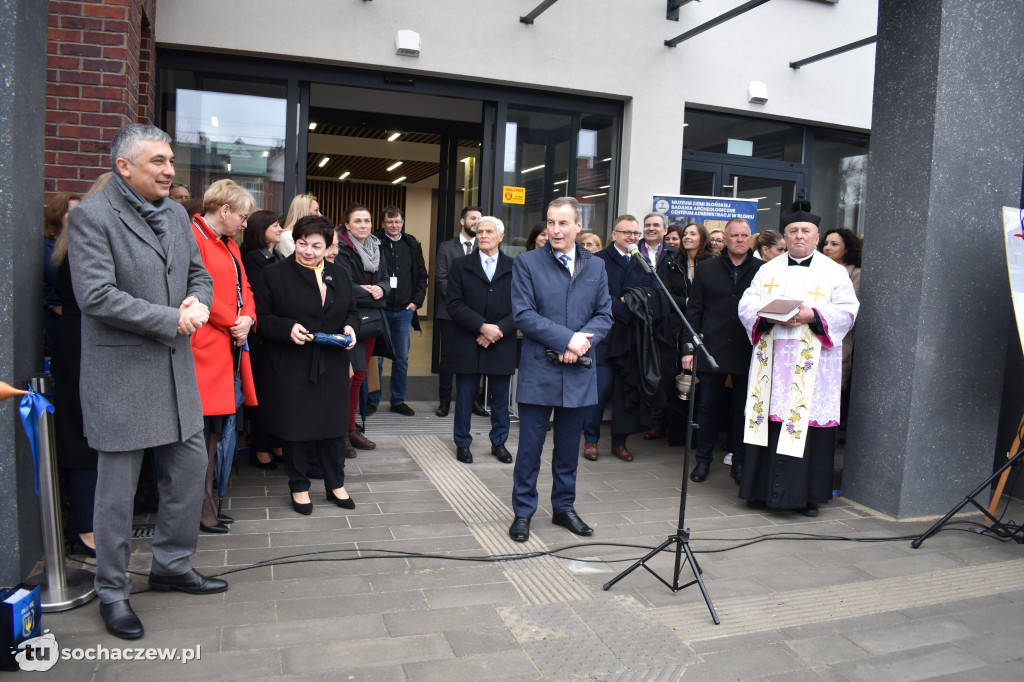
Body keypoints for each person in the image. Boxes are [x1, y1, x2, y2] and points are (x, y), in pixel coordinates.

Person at [68, 123, 226, 641]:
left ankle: (171, 566)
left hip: (175, 372)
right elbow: (96, 295)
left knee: (190, 468)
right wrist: (169, 318)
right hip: (123, 376)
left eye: (170, 161)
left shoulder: (178, 215)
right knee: (116, 494)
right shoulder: (93, 216)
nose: (168, 170)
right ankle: (113, 592)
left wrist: (197, 301)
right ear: (124, 167)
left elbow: (198, 273)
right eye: (157, 161)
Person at [738, 201, 859, 517]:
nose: (799, 236)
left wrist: (812, 314)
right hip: (773, 364)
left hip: (813, 367)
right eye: (793, 231)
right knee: (770, 423)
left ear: (816, 237)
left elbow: (848, 310)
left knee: (806, 425)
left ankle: (804, 497)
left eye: (806, 231)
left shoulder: (833, 272)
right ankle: (760, 492)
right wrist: (768, 317)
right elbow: (746, 306)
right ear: (786, 236)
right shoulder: (768, 269)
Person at [509, 197, 612, 543]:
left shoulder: (595, 266)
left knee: (568, 449)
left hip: (580, 370)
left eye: (563, 223)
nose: (555, 230)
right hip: (540, 369)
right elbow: (523, 315)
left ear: (578, 226)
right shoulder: (526, 263)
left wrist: (581, 343)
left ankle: (563, 508)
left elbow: (604, 315)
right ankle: (523, 512)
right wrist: (568, 339)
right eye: (550, 223)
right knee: (530, 449)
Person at [254, 215, 359, 515]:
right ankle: (299, 486)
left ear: (328, 247)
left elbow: (351, 311)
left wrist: (351, 328)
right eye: (302, 244)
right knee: (296, 428)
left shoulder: (339, 275)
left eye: (316, 245)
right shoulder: (274, 274)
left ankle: (335, 483)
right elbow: (260, 319)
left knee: (334, 427)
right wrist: (286, 328)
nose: (308, 251)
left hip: (333, 362)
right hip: (293, 362)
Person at [190, 180, 258, 534]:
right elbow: (195, 290)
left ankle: (208, 501)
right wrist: (235, 321)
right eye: (243, 216)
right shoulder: (193, 237)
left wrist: (248, 317)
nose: (246, 224)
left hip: (227, 347)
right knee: (202, 435)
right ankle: (201, 505)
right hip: (203, 351)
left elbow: (244, 288)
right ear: (225, 210)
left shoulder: (230, 244)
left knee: (215, 432)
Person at [683, 218, 763, 484]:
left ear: (750, 238)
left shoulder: (763, 271)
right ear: (725, 239)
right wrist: (689, 347)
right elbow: (694, 310)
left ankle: (739, 462)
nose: (740, 240)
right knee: (708, 407)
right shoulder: (707, 269)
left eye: (744, 235)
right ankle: (703, 461)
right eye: (734, 236)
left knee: (743, 409)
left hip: (748, 349)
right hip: (712, 349)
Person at [446, 217, 516, 464]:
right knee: (465, 396)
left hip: (501, 341)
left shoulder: (514, 266)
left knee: (500, 398)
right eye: (480, 231)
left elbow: (522, 306)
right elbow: (454, 303)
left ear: (501, 236)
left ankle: (499, 443)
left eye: (489, 231)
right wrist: (481, 327)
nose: (483, 235)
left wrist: (496, 331)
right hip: (469, 340)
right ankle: (462, 443)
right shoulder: (461, 265)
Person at [581, 215, 650, 462]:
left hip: (631, 337)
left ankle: (620, 442)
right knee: (599, 391)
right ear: (614, 235)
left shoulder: (642, 261)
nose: (632, 237)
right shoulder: (596, 260)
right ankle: (591, 440)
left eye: (635, 233)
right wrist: (625, 307)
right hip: (603, 337)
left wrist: (632, 302)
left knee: (624, 392)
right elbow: (595, 295)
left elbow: (649, 292)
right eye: (626, 233)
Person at [335, 203, 392, 453]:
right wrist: (377, 296)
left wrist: (383, 289)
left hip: (371, 324)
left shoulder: (376, 246)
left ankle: (349, 428)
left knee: (359, 377)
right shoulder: (340, 247)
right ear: (346, 224)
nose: (363, 225)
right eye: (357, 221)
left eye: (367, 221)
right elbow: (344, 288)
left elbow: (387, 280)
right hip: (349, 321)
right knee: (347, 379)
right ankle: (339, 433)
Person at [366, 206, 427, 417]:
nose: (394, 225)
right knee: (377, 359)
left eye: (398, 221)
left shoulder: (412, 244)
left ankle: (398, 400)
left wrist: (416, 302)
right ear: (383, 223)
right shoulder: (373, 242)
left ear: (403, 222)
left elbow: (421, 276)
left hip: (403, 310)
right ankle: (372, 400)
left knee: (401, 358)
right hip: (380, 310)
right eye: (390, 222)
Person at [434, 205, 482, 417]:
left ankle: (474, 402)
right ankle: (444, 402)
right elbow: (441, 278)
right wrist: (460, 303)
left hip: (477, 314)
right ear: (462, 221)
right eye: (472, 218)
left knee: (476, 357)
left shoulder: (484, 246)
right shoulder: (446, 247)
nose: (476, 223)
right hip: (450, 313)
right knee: (448, 359)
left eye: (479, 220)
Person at [820, 227, 862, 417]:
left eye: (834, 244)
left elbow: (847, 307)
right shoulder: (817, 270)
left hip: (840, 337)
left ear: (847, 248)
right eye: (826, 243)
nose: (827, 247)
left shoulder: (854, 273)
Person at [43, 193, 82, 354]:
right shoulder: (45, 246)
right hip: (55, 323)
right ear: (57, 215)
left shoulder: (78, 244)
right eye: (71, 212)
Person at [277, 193, 321, 258]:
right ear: (303, 212)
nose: (320, 215)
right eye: (316, 210)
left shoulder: (314, 235)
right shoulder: (287, 237)